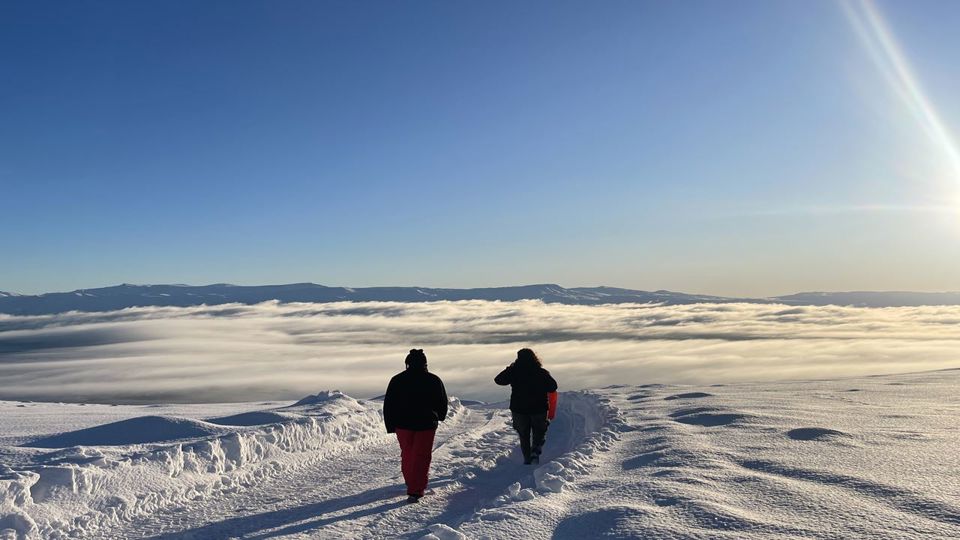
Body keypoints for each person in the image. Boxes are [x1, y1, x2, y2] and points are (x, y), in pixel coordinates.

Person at [383, 349, 448, 503]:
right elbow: (442, 401)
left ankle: (411, 481)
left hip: (403, 425)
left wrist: (390, 425)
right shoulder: (433, 380)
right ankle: (416, 489)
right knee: (422, 456)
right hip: (426, 424)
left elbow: (389, 404)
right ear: (425, 363)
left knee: (407, 454)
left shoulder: (397, 380)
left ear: (407, 363)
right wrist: (440, 416)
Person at [495, 348, 558, 465]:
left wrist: (510, 368)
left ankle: (527, 459)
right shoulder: (541, 372)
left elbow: (498, 380)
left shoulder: (514, 372)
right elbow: (553, 387)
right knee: (539, 431)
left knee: (524, 435)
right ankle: (535, 451)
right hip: (539, 408)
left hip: (519, 409)